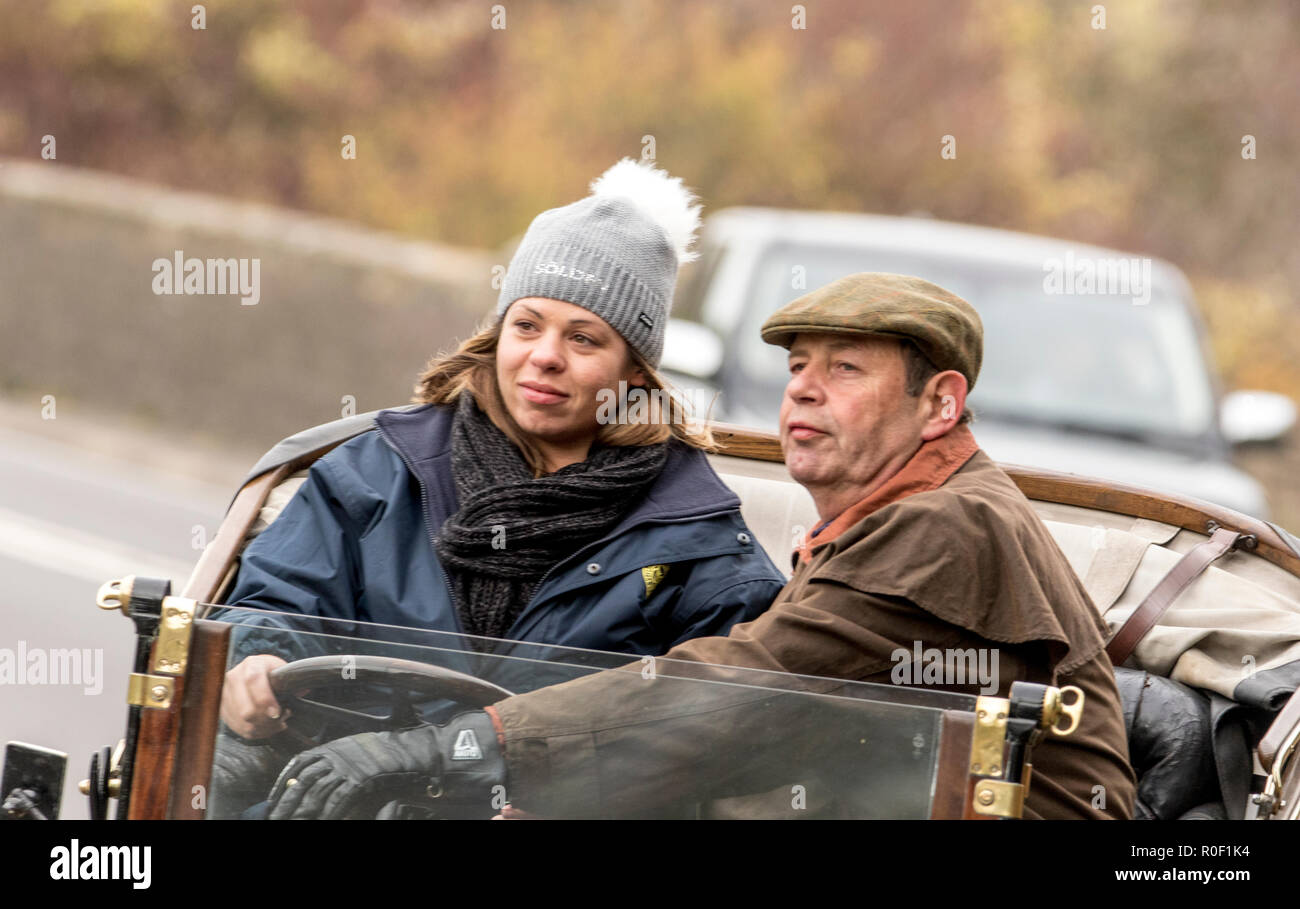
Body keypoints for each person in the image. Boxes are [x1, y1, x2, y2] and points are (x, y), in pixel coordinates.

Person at [265, 273, 1139, 821]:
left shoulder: (945, 525)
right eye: (798, 366)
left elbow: (734, 691)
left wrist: (449, 749)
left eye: (845, 370)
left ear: (939, 405)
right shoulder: (892, 517)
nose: (802, 392)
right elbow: (783, 730)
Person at [213, 158, 786, 744]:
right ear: (498, 335)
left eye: (583, 338)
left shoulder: (700, 548)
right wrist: (257, 657)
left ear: (636, 374)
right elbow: (276, 597)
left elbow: (710, 733)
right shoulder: (374, 472)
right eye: (528, 325)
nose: (546, 355)